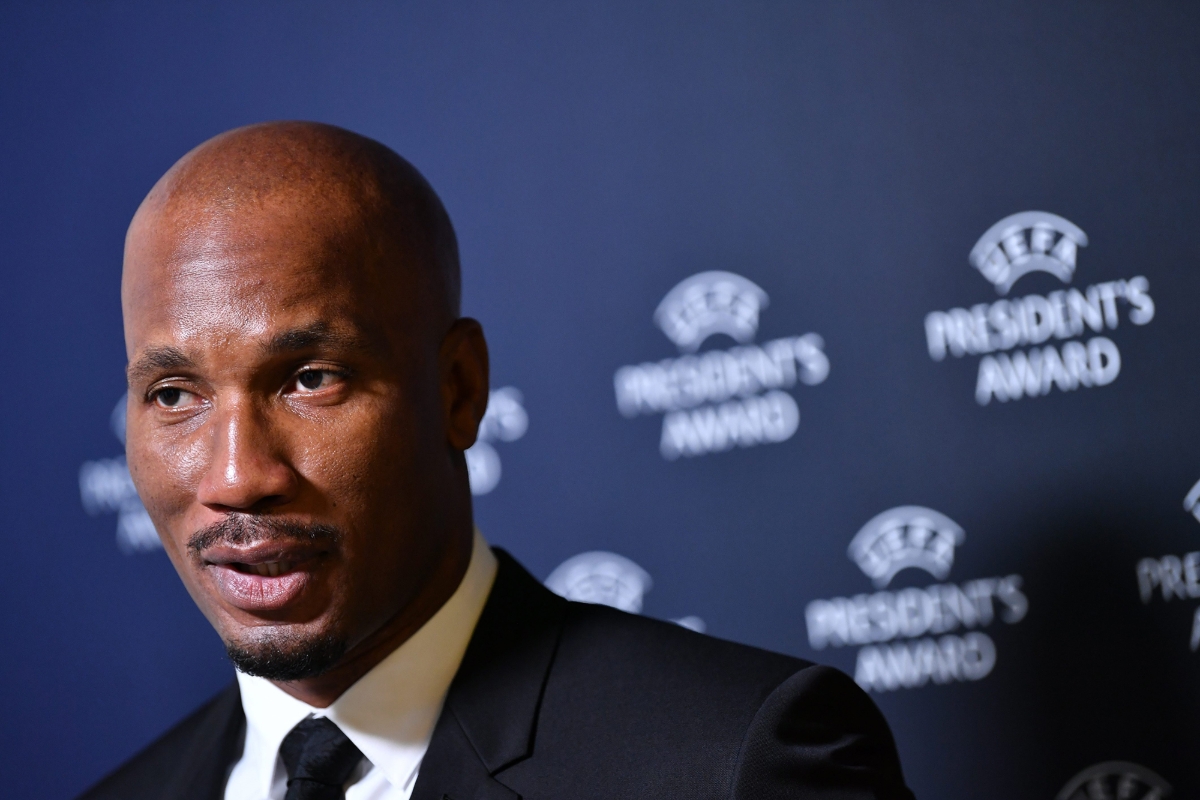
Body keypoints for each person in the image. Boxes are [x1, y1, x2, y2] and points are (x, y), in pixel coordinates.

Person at [80, 121, 915, 800]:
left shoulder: (735, 763)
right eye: (173, 395)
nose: (235, 477)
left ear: (458, 389)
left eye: (309, 379)